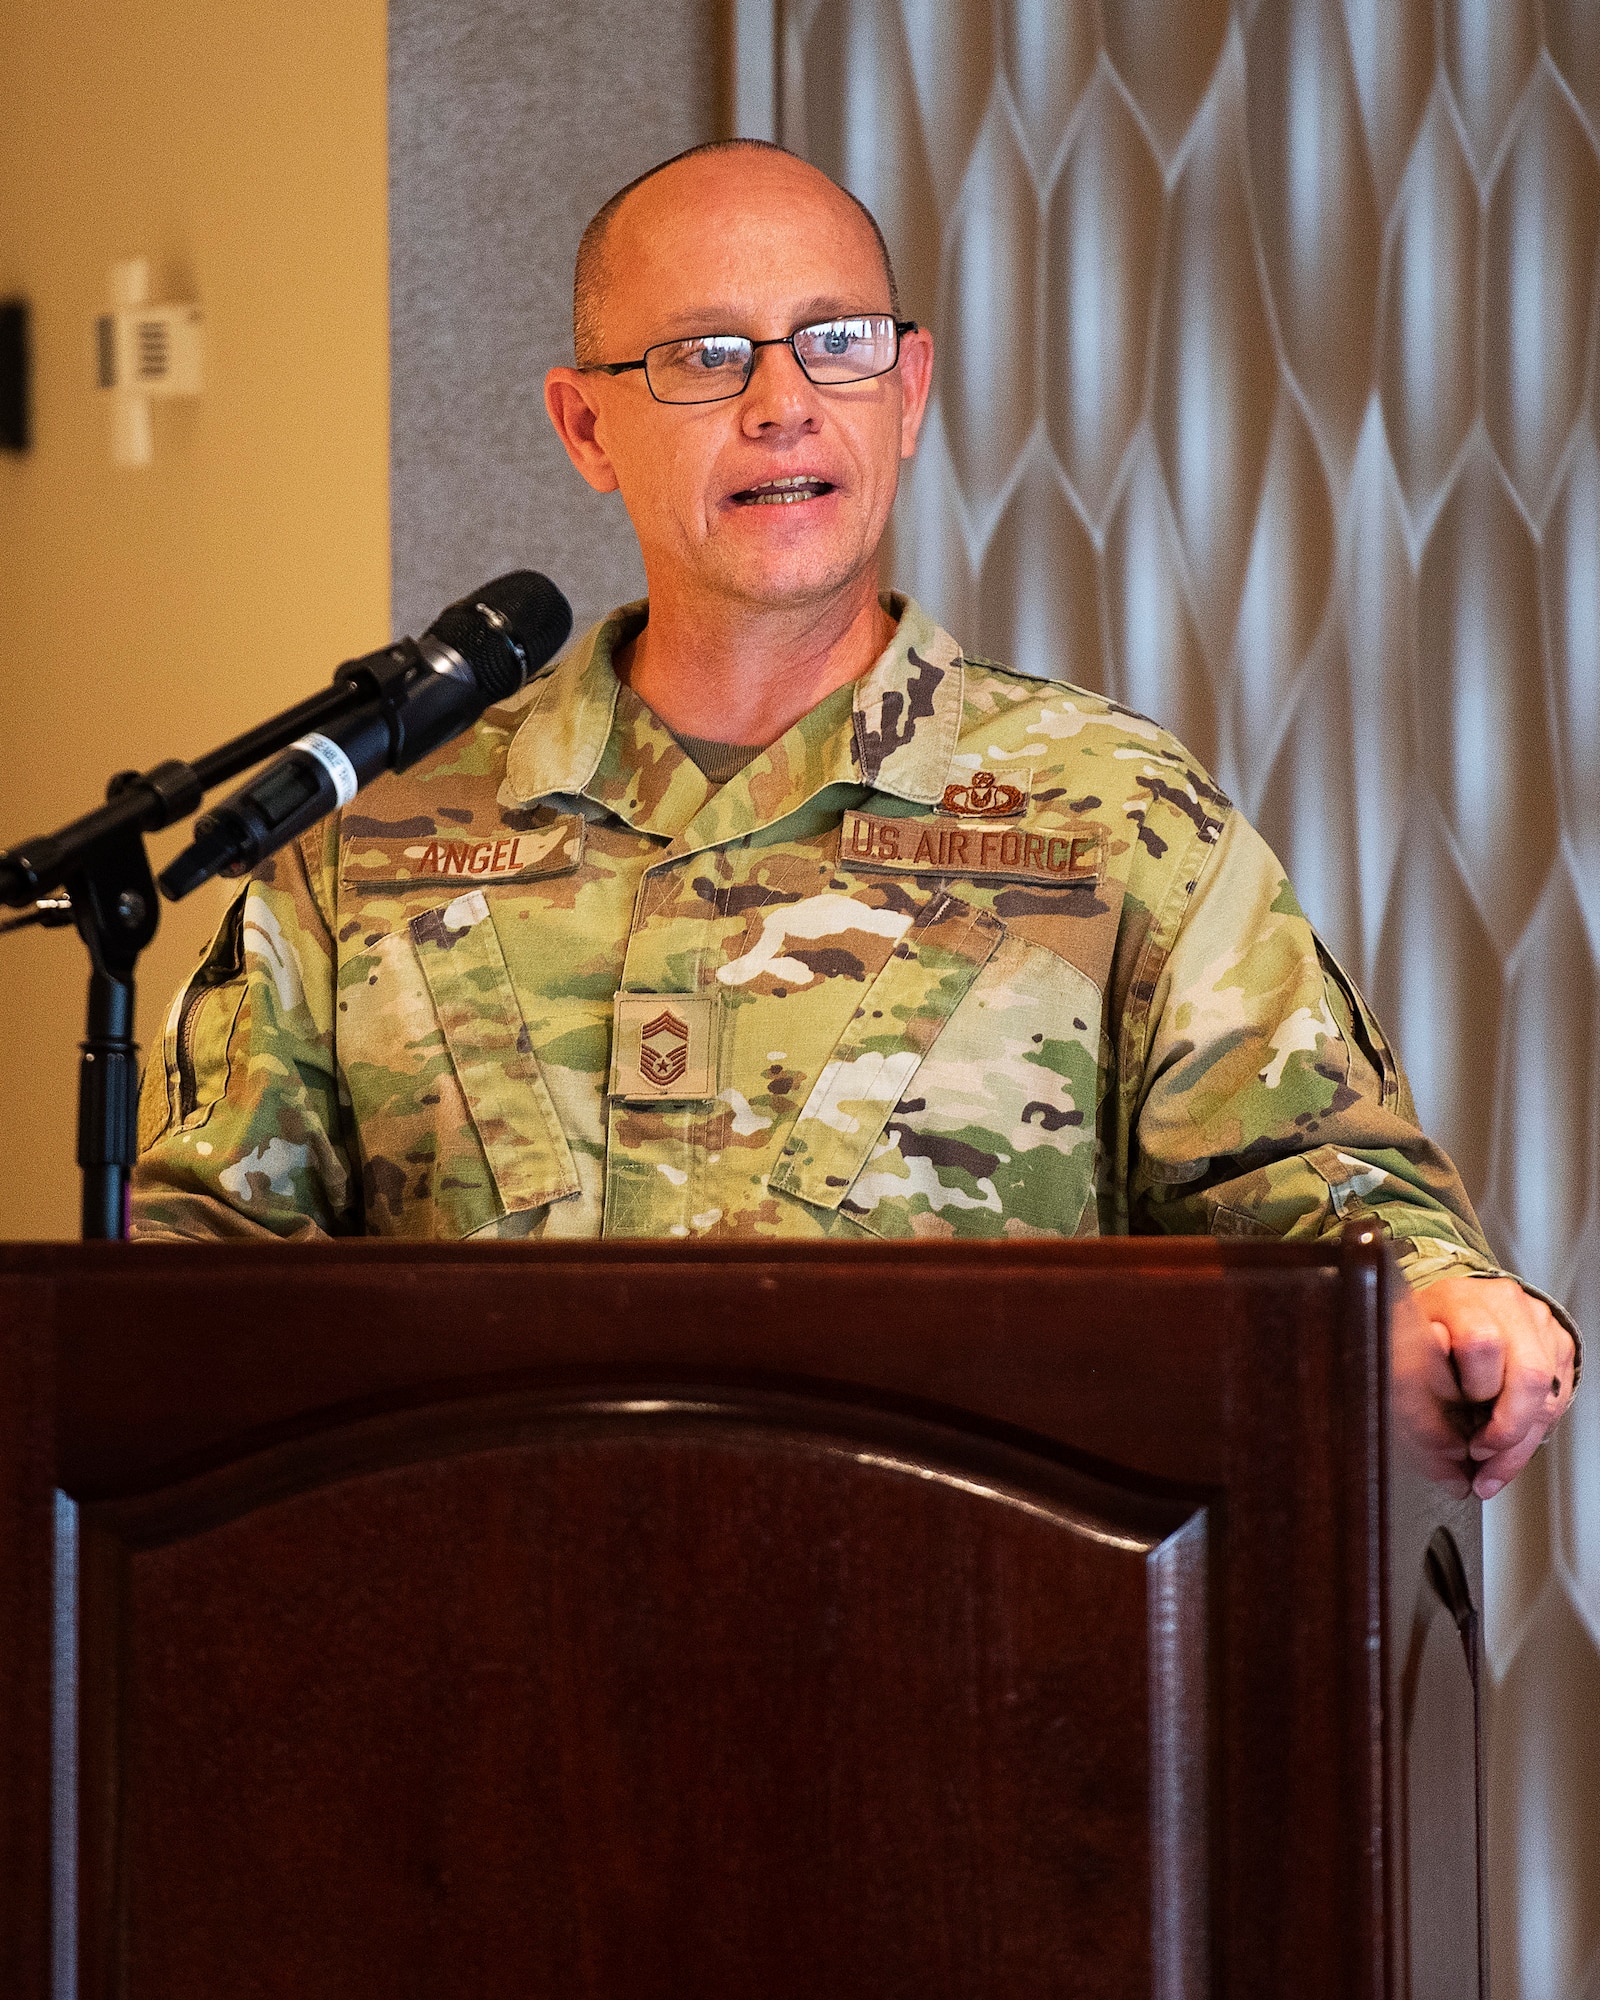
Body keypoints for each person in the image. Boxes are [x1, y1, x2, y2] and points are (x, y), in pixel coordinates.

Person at [131, 139, 1577, 1497]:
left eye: (837, 342)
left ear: (910, 387)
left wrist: (1449, 1302)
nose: (782, 402)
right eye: (703, 355)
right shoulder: (379, 838)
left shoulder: (1111, 812)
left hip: (973, 1653)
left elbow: (1320, 1196)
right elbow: (200, 1289)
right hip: (487, 1662)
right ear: (586, 424)